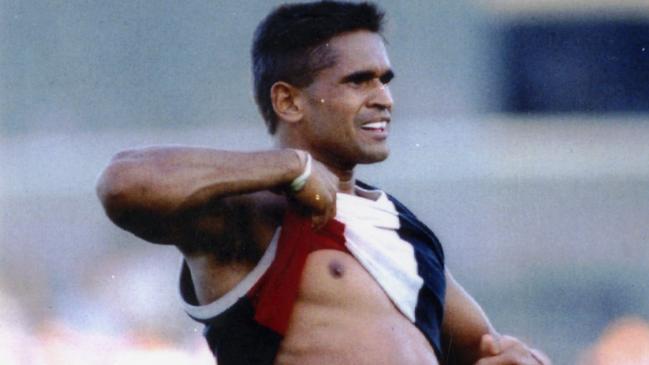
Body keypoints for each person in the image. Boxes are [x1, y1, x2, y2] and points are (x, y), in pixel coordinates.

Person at [96, 1, 551, 364]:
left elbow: (484, 350)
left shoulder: (404, 231)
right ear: (288, 101)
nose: (384, 98)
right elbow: (123, 182)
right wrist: (291, 167)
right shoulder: (252, 215)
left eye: (384, 80)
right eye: (359, 81)